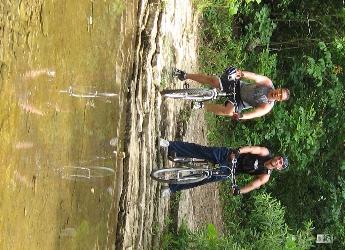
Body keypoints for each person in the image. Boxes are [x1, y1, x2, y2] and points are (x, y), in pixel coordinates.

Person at [159, 139, 288, 197]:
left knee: (203, 178)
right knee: (203, 151)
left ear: (279, 168)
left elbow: (254, 184)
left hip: (230, 171)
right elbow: (253, 149)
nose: (278, 162)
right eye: (279, 159)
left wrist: (239, 191)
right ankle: (171, 145)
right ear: (277, 156)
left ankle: (172, 188)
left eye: (280, 163)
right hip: (231, 156)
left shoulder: (265, 175)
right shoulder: (265, 153)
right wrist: (238, 151)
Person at [173, 67, 290, 120]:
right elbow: (255, 77)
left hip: (240, 102)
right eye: (279, 92)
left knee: (228, 112)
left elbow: (255, 113)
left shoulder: (267, 106)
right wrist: (241, 73)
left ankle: (202, 105)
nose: (277, 95)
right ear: (278, 89)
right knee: (213, 80)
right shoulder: (268, 83)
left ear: (279, 100)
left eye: (280, 97)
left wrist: (241, 116)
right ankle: (185, 75)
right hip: (238, 86)